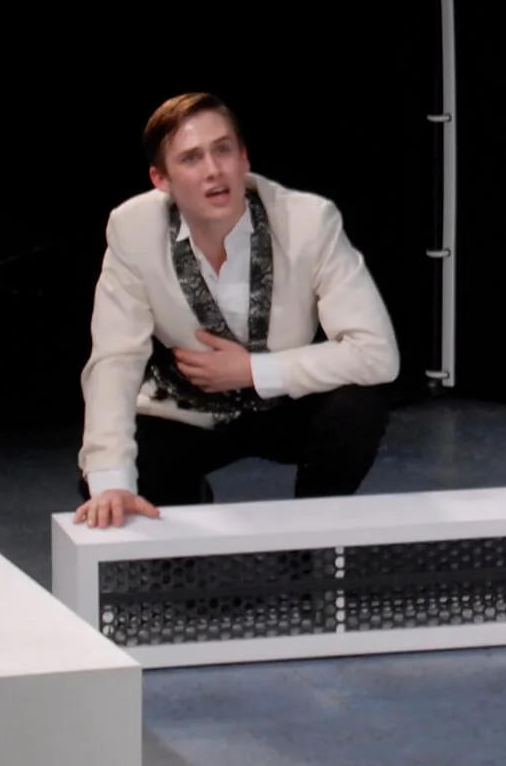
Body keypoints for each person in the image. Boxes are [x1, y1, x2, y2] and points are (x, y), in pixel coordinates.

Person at [73, 93, 400, 530]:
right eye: (191, 158)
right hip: (188, 411)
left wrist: (252, 371)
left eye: (223, 150)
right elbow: (115, 358)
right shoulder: (132, 229)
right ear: (160, 179)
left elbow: (377, 352)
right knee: (111, 480)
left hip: (287, 406)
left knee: (358, 404)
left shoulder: (309, 221)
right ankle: (187, 510)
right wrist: (111, 482)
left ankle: (311, 537)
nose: (213, 170)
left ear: (243, 158)